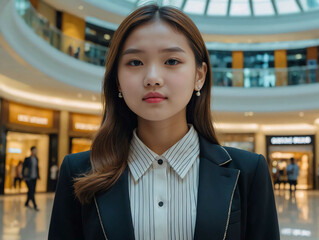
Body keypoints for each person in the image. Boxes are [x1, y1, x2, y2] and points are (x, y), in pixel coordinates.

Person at [48, 5, 279, 240]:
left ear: (199, 75)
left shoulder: (248, 172)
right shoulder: (79, 172)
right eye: (135, 62)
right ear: (117, 80)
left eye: (171, 61)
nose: (152, 79)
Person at [22, 146, 40, 211]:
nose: (36, 152)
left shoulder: (36, 159)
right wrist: (23, 176)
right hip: (28, 178)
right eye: (35, 150)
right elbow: (24, 168)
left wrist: (38, 176)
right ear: (31, 151)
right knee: (31, 191)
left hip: (34, 177)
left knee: (31, 191)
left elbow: (37, 168)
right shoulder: (27, 159)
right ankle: (35, 205)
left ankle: (26, 203)